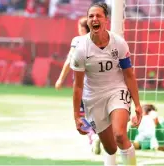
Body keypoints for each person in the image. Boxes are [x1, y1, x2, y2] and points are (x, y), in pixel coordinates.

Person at [70, 2, 142, 166]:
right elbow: (78, 86)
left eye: (98, 16)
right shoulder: (81, 50)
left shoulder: (119, 43)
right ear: (88, 22)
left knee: (119, 135)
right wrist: (76, 116)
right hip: (93, 98)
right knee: (110, 148)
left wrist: (137, 104)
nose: (94, 19)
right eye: (91, 16)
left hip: (117, 90)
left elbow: (129, 75)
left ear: (106, 20)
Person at [54, 16, 101, 155]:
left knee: (81, 115)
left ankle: (93, 136)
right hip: (100, 83)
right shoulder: (101, 40)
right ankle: (100, 135)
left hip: (83, 84)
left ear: (82, 28)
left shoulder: (77, 40)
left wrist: (61, 79)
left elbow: (70, 59)